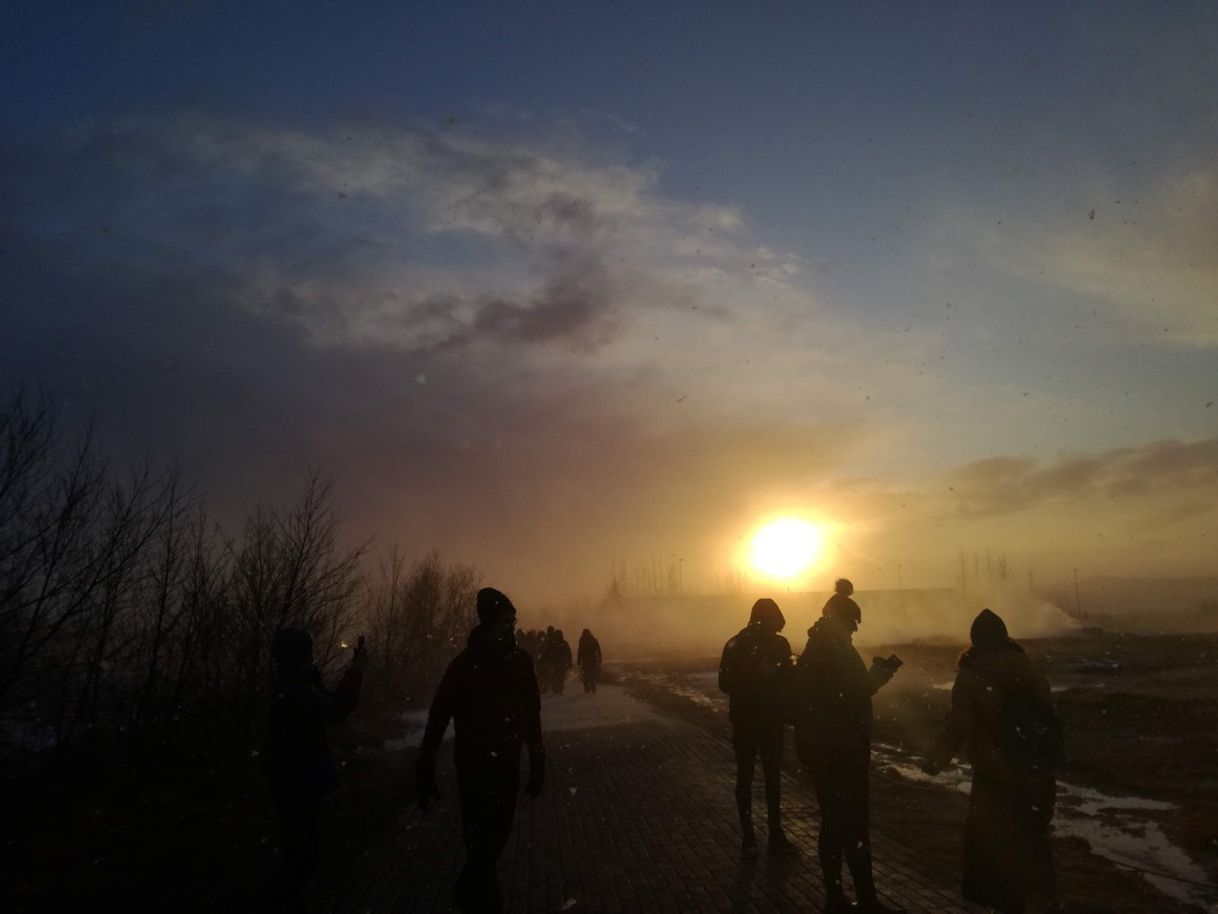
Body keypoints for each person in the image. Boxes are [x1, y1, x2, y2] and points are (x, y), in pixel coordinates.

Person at [922, 609, 1062, 914]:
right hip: (1038, 773)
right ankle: (1041, 901)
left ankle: (1005, 906)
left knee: (994, 849)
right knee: (1034, 842)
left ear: (975, 640)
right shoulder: (1028, 667)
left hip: (997, 778)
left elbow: (958, 725)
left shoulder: (973, 675)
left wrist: (935, 760)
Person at [415, 588, 545, 913]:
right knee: (478, 842)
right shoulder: (464, 666)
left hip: (507, 765)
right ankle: (486, 903)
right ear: (487, 625)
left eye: (513, 622)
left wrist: (538, 758)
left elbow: (532, 714)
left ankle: (467, 893)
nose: (511, 629)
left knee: (497, 836)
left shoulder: (521, 663)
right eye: (505, 622)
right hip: (473, 766)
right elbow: (439, 714)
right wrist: (425, 763)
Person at [792, 579, 905, 914]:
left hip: (820, 744)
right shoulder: (834, 646)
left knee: (832, 821)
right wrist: (881, 672)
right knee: (852, 823)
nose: (856, 631)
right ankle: (864, 899)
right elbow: (855, 690)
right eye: (854, 624)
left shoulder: (818, 644)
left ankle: (836, 896)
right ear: (845, 619)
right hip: (840, 747)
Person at [264, 627, 366, 911]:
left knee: (299, 851)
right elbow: (336, 709)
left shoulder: (291, 685)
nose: (311, 655)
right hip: (296, 783)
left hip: (290, 781)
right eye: (306, 651)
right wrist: (356, 673)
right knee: (302, 856)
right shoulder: (295, 690)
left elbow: (332, 706)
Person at [718, 597, 799, 857]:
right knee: (772, 778)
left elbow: (724, 683)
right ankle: (775, 834)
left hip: (744, 720)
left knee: (745, 778)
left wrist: (746, 679)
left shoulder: (735, 643)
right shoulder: (779, 645)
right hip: (770, 720)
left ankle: (749, 837)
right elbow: (789, 682)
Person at [545, 628, 573, 695]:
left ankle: (558, 689)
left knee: (557, 676)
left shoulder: (554, 643)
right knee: (558, 676)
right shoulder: (561, 643)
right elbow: (569, 653)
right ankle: (558, 689)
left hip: (558, 663)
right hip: (558, 663)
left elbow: (547, 653)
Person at [577, 628, 603, 693]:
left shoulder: (582, 640)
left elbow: (580, 651)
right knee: (591, 674)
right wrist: (599, 659)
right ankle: (592, 687)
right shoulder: (593, 640)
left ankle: (587, 688)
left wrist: (579, 660)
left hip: (587, 660)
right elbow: (598, 650)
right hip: (592, 660)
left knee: (586, 675)